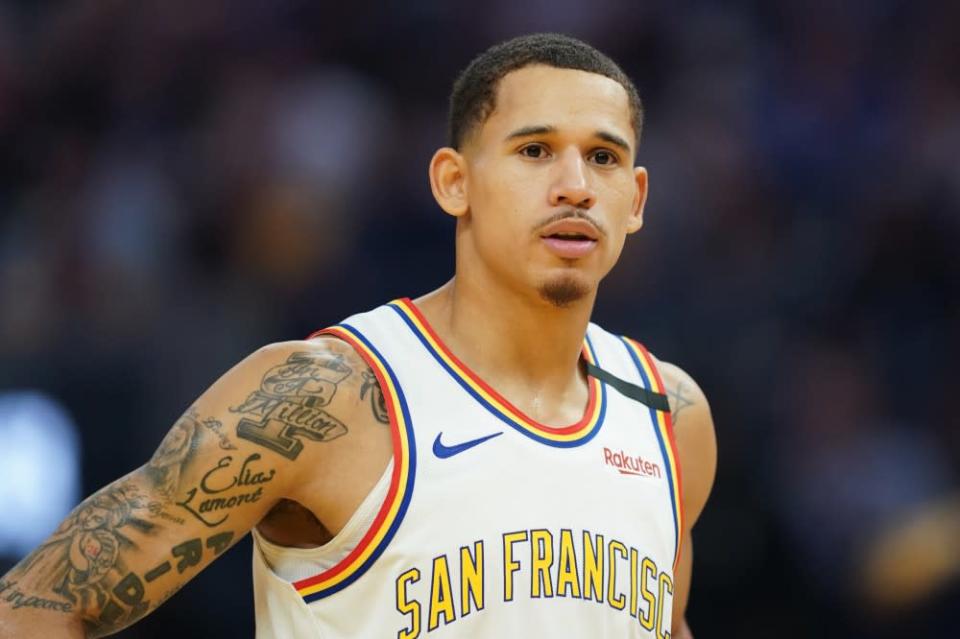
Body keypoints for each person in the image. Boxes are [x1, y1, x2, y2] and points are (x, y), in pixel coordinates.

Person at [0, 33, 717, 638]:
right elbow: (45, 603)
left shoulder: (671, 414)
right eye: (534, 151)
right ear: (453, 182)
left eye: (603, 156)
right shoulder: (326, 395)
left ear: (637, 199)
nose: (574, 185)